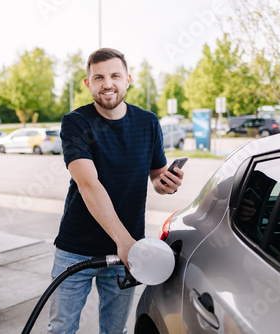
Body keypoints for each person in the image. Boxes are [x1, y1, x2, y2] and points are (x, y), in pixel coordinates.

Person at [47, 48, 184, 334]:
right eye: (98, 77)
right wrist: (125, 243)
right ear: (88, 84)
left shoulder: (148, 122)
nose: (107, 83)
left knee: (116, 330)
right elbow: (87, 184)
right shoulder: (76, 122)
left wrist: (165, 183)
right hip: (76, 248)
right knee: (61, 329)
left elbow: (156, 175)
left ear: (127, 79)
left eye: (114, 75)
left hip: (129, 248)